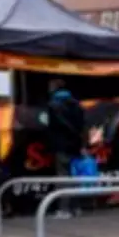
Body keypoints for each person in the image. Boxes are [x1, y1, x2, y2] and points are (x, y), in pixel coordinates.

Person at [46, 79, 85, 219]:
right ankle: (76, 207)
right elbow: (82, 126)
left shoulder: (53, 105)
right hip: (75, 144)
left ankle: (64, 209)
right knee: (74, 175)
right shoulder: (77, 105)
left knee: (62, 176)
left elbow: (52, 126)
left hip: (61, 144)